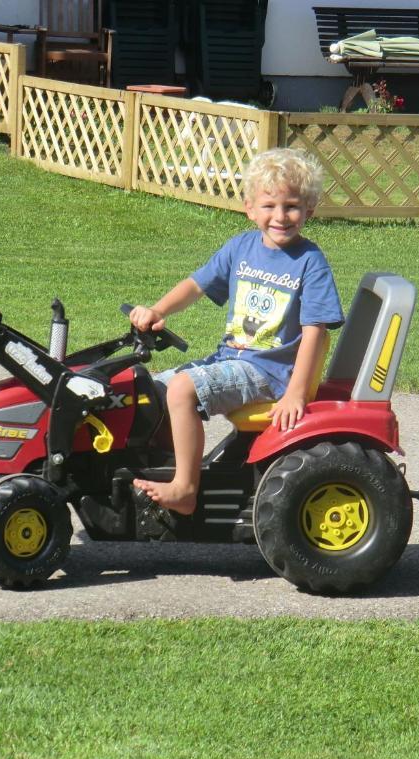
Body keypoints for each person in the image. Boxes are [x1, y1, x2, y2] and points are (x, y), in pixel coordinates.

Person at [128, 148, 344, 514]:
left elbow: (315, 333)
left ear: (310, 210)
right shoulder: (241, 248)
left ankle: (185, 489)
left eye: (292, 206)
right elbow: (196, 285)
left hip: (269, 372)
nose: (280, 216)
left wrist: (295, 394)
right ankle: (166, 464)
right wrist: (158, 310)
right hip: (232, 359)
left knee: (182, 389)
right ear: (250, 208)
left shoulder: (311, 262)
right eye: (269, 205)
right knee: (151, 388)